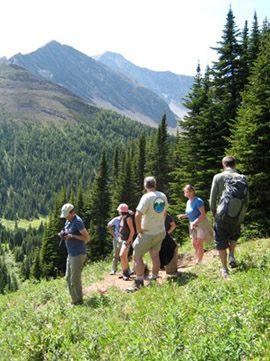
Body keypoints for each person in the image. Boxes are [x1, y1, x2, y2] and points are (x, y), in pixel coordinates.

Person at [126, 176, 168, 292]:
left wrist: (139, 229)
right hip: (160, 231)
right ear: (155, 184)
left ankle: (139, 281)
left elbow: (138, 214)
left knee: (137, 256)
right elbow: (164, 212)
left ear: (145, 186)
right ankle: (153, 279)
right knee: (155, 255)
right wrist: (161, 224)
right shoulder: (162, 195)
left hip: (147, 233)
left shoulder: (147, 197)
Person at [210, 155, 249, 278]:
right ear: (235, 165)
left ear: (223, 165)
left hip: (221, 214)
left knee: (221, 241)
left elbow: (212, 198)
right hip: (237, 214)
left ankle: (224, 269)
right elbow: (247, 198)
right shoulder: (243, 178)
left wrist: (213, 212)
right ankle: (232, 255)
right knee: (233, 236)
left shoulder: (218, 177)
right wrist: (241, 215)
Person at [59, 203, 90, 305]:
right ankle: (74, 299)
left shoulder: (78, 222)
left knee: (75, 278)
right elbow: (67, 230)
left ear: (72, 212)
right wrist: (63, 234)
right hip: (71, 253)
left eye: (67, 215)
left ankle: (79, 301)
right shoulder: (68, 221)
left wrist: (72, 236)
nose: (66, 217)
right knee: (68, 277)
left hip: (78, 253)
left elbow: (87, 238)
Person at [178, 185, 213, 264]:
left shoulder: (198, 201)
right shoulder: (188, 202)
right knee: (194, 243)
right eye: (187, 192)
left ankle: (199, 261)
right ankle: (197, 258)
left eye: (190, 191)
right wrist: (183, 216)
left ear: (193, 191)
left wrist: (195, 222)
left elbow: (203, 214)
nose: (189, 193)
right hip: (193, 224)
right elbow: (191, 213)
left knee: (200, 242)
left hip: (201, 223)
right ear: (185, 193)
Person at [117, 203, 135, 280]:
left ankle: (126, 273)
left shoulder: (128, 218)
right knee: (123, 256)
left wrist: (128, 241)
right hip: (122, 239)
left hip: (126, 240)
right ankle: (125, 272)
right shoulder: (122, 217)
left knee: (122, 255)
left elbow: (132, 231)